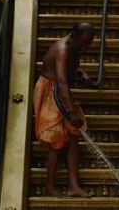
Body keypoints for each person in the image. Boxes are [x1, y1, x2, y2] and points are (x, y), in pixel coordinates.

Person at [34, 22, 98, 197]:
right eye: (85, 42)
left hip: (62, 91)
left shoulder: (74, 48)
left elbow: (69, 73)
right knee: (57, 140)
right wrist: (71, 112)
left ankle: (73, 186)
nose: (87, 46)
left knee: (74, 137)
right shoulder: (62, 49)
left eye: (90, 42)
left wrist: (81, 75)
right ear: (74, 37)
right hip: (50, 91)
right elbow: (61, 80)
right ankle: (49, 186)